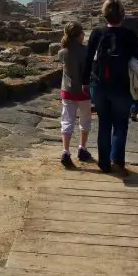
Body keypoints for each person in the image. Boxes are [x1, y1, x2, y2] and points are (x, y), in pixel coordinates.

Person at [81, 0, 138, 176]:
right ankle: (117, 159)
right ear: (122, 16)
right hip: (122, 87)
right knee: (120, 124)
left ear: (104, 15)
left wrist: (85, 82)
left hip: (99, 85)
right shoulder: (130, 35)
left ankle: (103, 163)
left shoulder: (96, 33)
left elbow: (88, 60)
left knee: (104, 123)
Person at [57, 21, 93, 168]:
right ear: (80, 35)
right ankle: (82, 149)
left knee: (67, 121)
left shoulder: (62, 52)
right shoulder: (87, 51)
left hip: (68, 91)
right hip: (84, 91)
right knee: (85, 121)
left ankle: (65, 151)